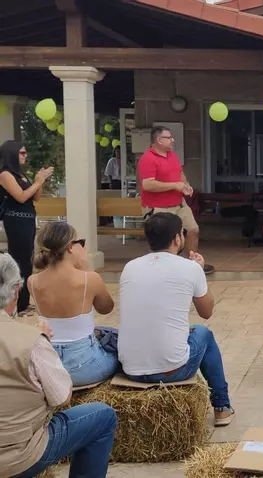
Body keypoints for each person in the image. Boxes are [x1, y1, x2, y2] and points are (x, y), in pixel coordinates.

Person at [0, 253, 117, 478]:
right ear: (16, 291)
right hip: (19, 457)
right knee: (104, 416)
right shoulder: (32, 340)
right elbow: (61, 397)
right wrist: (43, 342)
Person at [117, 212, 234, 426]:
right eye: (183, 232)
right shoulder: (190, 268)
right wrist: (199, 272)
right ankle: (222, 406)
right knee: (203, 333)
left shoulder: (129, 267)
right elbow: (207, 311)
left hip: (131, 370)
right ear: (177, 238)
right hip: (171, 370)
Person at [29, 221, 119, 387]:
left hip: (50, 367)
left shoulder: (32, 281)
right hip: (85, 368)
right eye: (81, 243)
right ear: (70, 247)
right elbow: (107, 308)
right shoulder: (89, 278)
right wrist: (85, 270)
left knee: (103, 331)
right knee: (118, 346)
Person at [138, 126, 213, 274]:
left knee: (193, 230)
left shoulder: (172, 155)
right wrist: (174, 185)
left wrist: (185, 185)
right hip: (159, 207)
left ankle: (193, 265)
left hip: (179, 204)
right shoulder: (147, 159)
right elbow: (147, 184)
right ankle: (165, 270)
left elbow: (180, 173)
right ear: (159, 140)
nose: (173, 140)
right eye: (169, 137)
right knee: (165, 240)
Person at [0, 140, 53, 314]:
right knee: (19, 260)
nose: (25, 155)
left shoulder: (21, 174)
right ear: (12, 154)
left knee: (27, 260)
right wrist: (37, 182)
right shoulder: (5, 174)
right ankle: (17, 303)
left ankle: (24, 301)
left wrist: (40, 181)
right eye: (22, 152)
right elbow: (21, 197)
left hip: (28, 220)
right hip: (15, 220)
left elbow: (35, 197)